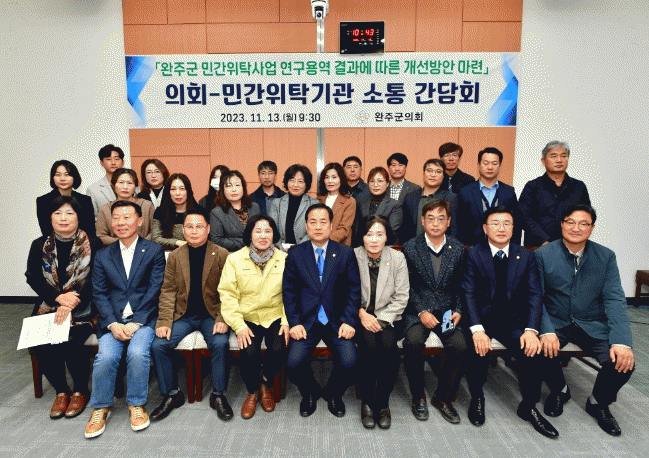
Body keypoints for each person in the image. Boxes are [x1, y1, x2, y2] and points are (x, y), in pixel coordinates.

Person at [537, 204, 635, 437]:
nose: (576, 228)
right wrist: (546, 330)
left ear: (592, 228)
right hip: (556, 321)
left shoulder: (606, 257)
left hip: (592, 323)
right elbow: (536, 297)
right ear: (562, 224)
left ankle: (598, 402)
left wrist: (622, 342)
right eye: (570, 222)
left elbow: (614, 299)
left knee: (623, 363)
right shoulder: (543, 254)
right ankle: (560, 390)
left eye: (583, 223)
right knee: (538, 349)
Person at [461, 206, 559, 438]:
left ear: (514, 228)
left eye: (507, 223)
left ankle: (529, 406)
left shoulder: (526, 255)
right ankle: (477, 397)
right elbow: (468, 294)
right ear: (485, 228)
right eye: (495, 223)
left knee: (532, 350)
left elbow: (535, 294)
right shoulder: (473, 254)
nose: (501, 228)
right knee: (476, 349)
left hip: (513, 321)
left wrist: (531, 329)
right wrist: (477, 330)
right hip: (482, 320)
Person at [84, 201, 165, 438]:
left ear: (139, 221)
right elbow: (99, 293)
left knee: (138, 353)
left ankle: (136, 404)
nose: (121, 222)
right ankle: (101, 407)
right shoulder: (103, 254)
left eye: (127, 217)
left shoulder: (154, 251)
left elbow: (155, 289)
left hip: (144, 318)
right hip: (113, 320)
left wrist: (137, 321)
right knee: (106, 356)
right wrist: (112, 323)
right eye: (116, 218)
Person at [150, 207, 232, 422]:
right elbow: (168, 290)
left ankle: (218, 395)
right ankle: (172, 394)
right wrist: (164, 321)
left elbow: (230, 291)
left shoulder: (221, 254)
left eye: (199, 226)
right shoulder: (175, 256)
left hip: (211, 315)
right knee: (159, 345)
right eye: (189, 227)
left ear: (208, 229)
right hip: (184, 315)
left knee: (220, 343)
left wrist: (223, 318)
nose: (194, 231)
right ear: (183, 230)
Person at [25, 196, 103, 420]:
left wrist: (72, 302)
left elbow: (97, 279)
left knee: (71, 337)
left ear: (78, 217)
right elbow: (32, 277)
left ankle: (80, 390)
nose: (63, 218)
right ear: (50, 218)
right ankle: (61, 390)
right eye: (58, 213)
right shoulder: (39, 244)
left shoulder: (94, 243)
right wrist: (59, 298)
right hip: (50, 303)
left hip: (85, 305)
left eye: (69, 213)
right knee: (40, 339)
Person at [283, 203, 360, 418]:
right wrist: (294, 322)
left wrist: (349, 321)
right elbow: (289, 292)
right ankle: (310, 392)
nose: (318, 227)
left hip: (337, 320)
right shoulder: (296, 254)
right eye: (313, 222)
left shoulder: (345, 253)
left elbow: (354, 290)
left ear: (331, 225)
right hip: (307, 321)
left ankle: (334, 394)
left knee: (350, 361)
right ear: (306, 226)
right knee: (293, 363)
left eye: (323, 222)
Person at [401, 199, 467, 424]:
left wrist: (458, 310)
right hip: (417, 311)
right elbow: (406, 286)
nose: (435, 223)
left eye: (441, 219)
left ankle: (443, 398)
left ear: (448, 222)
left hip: (447, 313)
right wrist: (421, 311)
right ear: (423, 221)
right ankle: (418, 396)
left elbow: (462, 285)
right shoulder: (410, 247)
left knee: (458, 345)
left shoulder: (457, 248)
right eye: (431, 218)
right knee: (412, 342)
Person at [219, 215, 290, 419]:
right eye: (257, 231)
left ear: (274, 235)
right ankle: (252, 391)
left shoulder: (284, 259)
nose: (263, 235)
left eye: (267, 231)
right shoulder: (234, 259)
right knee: (249, 352)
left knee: (279, 347)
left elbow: (292, 294)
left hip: (276, 314)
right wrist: (238, 325)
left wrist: (287, 320)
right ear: (250, 234)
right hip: (247, 315)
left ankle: (264, 384)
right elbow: (227, 294)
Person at [354, 216, 408, 429]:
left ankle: (383, 403)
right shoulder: (352, 256)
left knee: (388, 348)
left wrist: (382, 319)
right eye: (369, 234)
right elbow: (345, 293)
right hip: (360, 316)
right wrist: (361, 314)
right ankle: (367, 402)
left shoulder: (397, 258)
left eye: (379, 234)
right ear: (362, 236)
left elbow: (402, 296)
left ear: (387, 237)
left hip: (390, 317)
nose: (374, 239)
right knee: (368, 346)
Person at [519, 141, 591, 246]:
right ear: (543, 161)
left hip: (570, 245)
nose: (559, 160)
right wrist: (544, 240)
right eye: (553, 156)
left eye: (563, 156)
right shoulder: (532, 186)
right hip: (538, 246)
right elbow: (524, 217)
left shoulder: (579, 187)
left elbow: (586, 217)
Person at [457, 147, 521, 246]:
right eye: (486, 163)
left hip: (502, 247)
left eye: (494, 163)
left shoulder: (509, 192)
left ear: (500, 166)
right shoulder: (465, 192)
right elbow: (459, 224)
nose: (490, 167)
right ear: (478, 165)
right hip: (473, 248)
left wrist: (514, 248)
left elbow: (516, 224)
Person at [400, 158, 458, 244]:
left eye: (438, 172)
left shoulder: (451, 198)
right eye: (429, 171)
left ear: (443, 176)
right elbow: (404, 229)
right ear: (423, 173)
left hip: (440, 247)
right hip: (413, 247)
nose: (433, 175)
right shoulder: (410, 197)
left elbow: (454, 229)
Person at [95, 168, 155, 246]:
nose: (125, 187)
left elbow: (154, 232)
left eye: (129, 183)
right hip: (115, 250)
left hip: (144, 248)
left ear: (135, 186)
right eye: (121, 182)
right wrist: (125, 243)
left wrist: (139, 244)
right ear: (113, 185)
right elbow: (101, 236)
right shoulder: (105, 208)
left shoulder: (146, 205)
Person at [37, 160, 96, 237]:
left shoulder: (85, 200)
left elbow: (90, 229)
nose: (62, 179)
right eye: (58, 175)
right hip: (54, 243)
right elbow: (46, 231)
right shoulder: (43, 201)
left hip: (82, 242)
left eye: (67, 175)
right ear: (53, 177)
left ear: (74, 177)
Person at [268, 164, 318, 250]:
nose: (295, 185)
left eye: (300, 181)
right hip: (280, 251)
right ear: (287, 182)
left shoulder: (314, 204)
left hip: (305, 250)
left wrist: (297, 249)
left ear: (306, 184)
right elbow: (272, 229)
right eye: (292, 180)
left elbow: (314, 230)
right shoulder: (276, 203)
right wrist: (281, 248)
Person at [209, 170, 260, 252]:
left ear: (243, 187)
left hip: (257, 253)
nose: (234, 189)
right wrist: (247, 242)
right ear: (222, 190)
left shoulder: (254, 207)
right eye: (229, 186)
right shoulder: (217, 213)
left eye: (237, 185)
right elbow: (217, 240)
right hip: (231, 255)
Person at [354, 167, 402, 246]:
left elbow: (392, 231)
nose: (375, 185)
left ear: (387, 184)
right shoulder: (362, 203)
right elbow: (357, 230)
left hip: (386, 247)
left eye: (380, 181)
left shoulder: (395, 204)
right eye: (372, 181)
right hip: (363, 247)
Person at [152, 173, 198, 250]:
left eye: (182, 189)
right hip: (167, 254)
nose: (177, 193)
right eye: (173, 189)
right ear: (168, 191)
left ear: (188, 191)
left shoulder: (198, 211)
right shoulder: (160, 211)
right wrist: (177, 242)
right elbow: (155, 239)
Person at [317, 162, 356, 246]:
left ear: (341, 179)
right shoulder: (318, 200)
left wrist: (324, 241)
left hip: (339, 246)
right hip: (317, 245)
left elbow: (344, 229)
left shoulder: (349, 201)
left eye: (334, 177)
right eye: (327, 177)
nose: (330, 181)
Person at [86, 144, 125, 218]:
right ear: (101, 163)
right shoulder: (93, 190)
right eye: (108, 159)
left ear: (123, 162)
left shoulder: (135, 187)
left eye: (116, 159)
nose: (113, 162)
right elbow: (92, 218)